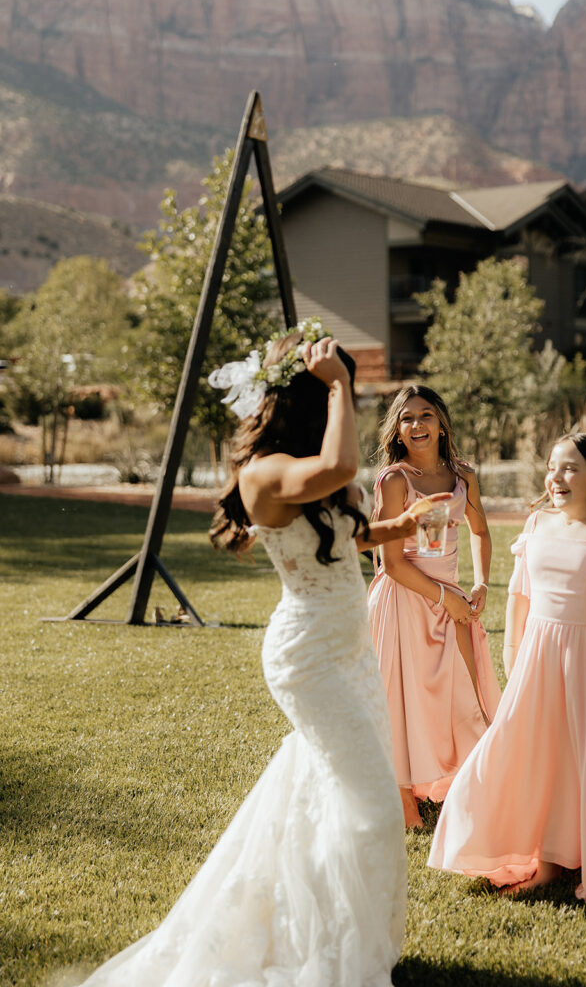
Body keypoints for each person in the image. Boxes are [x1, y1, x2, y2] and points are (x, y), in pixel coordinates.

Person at [75, 322, 444, 986]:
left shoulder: (301, 476)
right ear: (307, 399)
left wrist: (403, 525)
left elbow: (341, 539)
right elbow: (337, 466)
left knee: (319, 795)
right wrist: (341, 390)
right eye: (330, 391)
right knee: (372, 809)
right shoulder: (265, 473)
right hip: (307, 658)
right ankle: (338, 955)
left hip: (348, 652)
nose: (341, 397)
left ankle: (320, 933)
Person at [429, 432, 586, 910]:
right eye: (552, 466)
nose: (557, 477)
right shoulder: (538, 522)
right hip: (539, 660)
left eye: (571, 468)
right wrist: (512, 659)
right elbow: (521, 599)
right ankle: (548, 862)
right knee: (541, 757)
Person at [368, 385, 501, 829]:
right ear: (398, 431)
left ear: (441, 422)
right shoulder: (394, 481)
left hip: (452, 599)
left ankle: (472, 782)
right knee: (402, 697)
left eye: (426, 414)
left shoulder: (464, 476)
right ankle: (401, 795)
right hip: (404, 598)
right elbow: (390, 564)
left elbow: (480, 530)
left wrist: (480, 582)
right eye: (407, 418)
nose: (417, 424)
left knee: (463, 690)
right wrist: (447, 599)